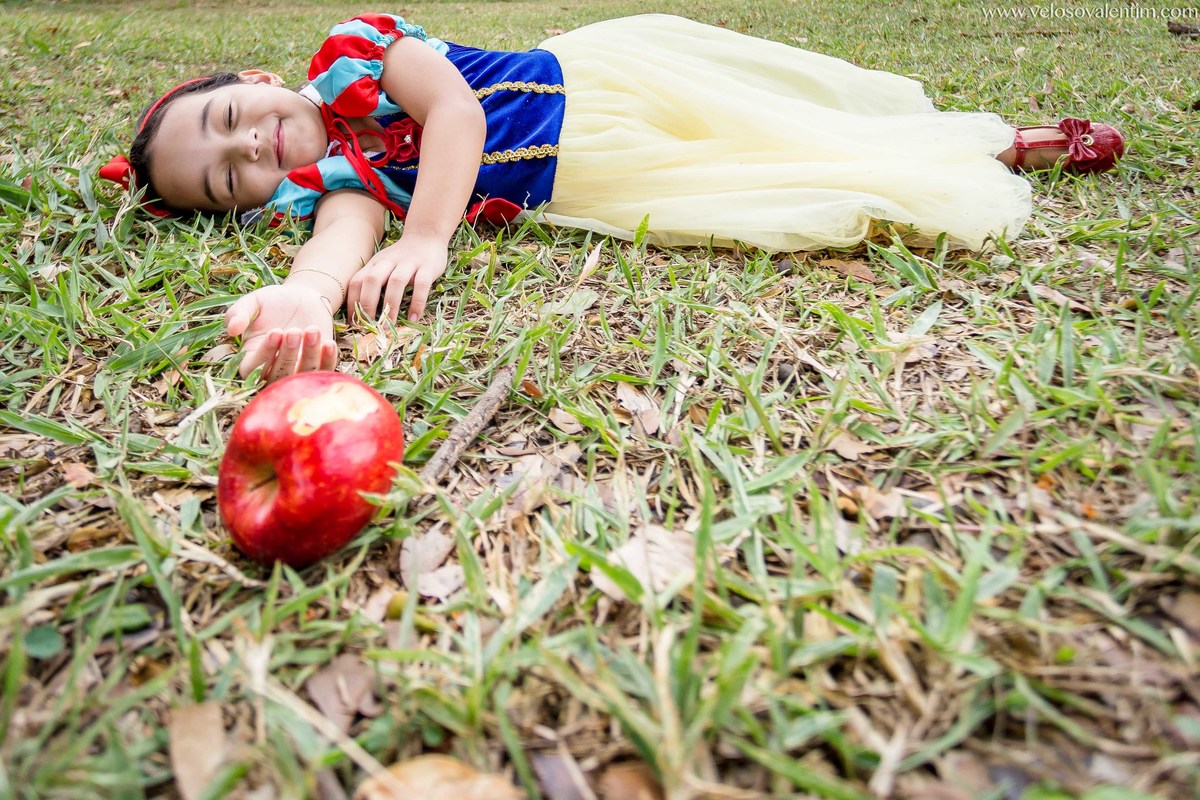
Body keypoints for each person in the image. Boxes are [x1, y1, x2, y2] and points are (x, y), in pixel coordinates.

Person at [99, 14, 1124, 383]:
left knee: (797, 126)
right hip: (595, 182)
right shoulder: (341, 184)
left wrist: (429, 237)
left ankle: (1000, 136)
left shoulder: (357, 56)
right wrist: (310, 294)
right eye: (232, 176)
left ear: (249, 77)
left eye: (231, 116)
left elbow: (454, 114)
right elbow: (338, 239)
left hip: (600, 88)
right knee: (781, 187)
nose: (250, 145)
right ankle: (985, 163)